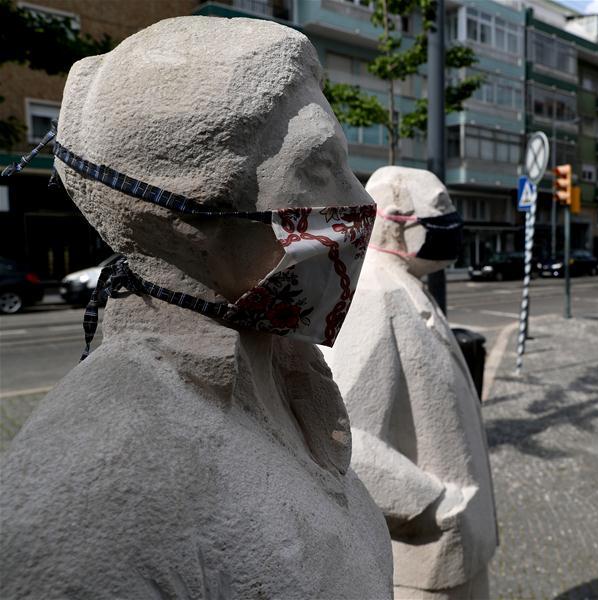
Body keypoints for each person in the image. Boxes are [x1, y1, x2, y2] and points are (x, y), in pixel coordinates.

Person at [0, 17, 392, 598]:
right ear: (185, 218)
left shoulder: (286, 371)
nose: (360, 199)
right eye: (318, 167)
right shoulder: (93, 490)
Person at [324, 166, 498, 600]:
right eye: (439, 211)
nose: (450, 224)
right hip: (426, 562)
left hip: (457, 555)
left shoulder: (405, 286)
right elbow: (340, 435)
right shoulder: (374, 297)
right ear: (395, 222)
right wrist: (437, 506)